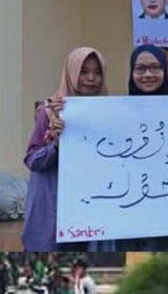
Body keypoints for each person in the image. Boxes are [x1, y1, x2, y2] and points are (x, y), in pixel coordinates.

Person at [21, 47, 106, 252]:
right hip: (54, 208)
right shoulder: (50, 111)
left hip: (94, 207)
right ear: (71, 73)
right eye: (84, 72)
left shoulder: (108, 112)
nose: (91, 78)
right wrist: (56, 146)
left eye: (97, 72)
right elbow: (32, 160)